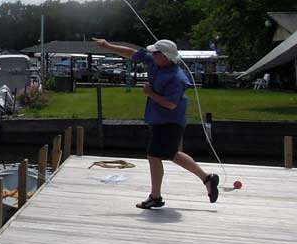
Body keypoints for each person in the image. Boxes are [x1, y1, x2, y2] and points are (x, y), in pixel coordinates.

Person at [93, 38, 219, 209]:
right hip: (158, 119)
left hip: (170, 122)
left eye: (155, 52)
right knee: (172, 154)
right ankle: (207, 178)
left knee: (154, 156)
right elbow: (132, 53)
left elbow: (171, 104)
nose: (152, 54)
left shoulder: (177, 78)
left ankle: (155, 196)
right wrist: (108, 46)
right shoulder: (155, 61)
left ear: (165, 56)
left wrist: (150, 93)